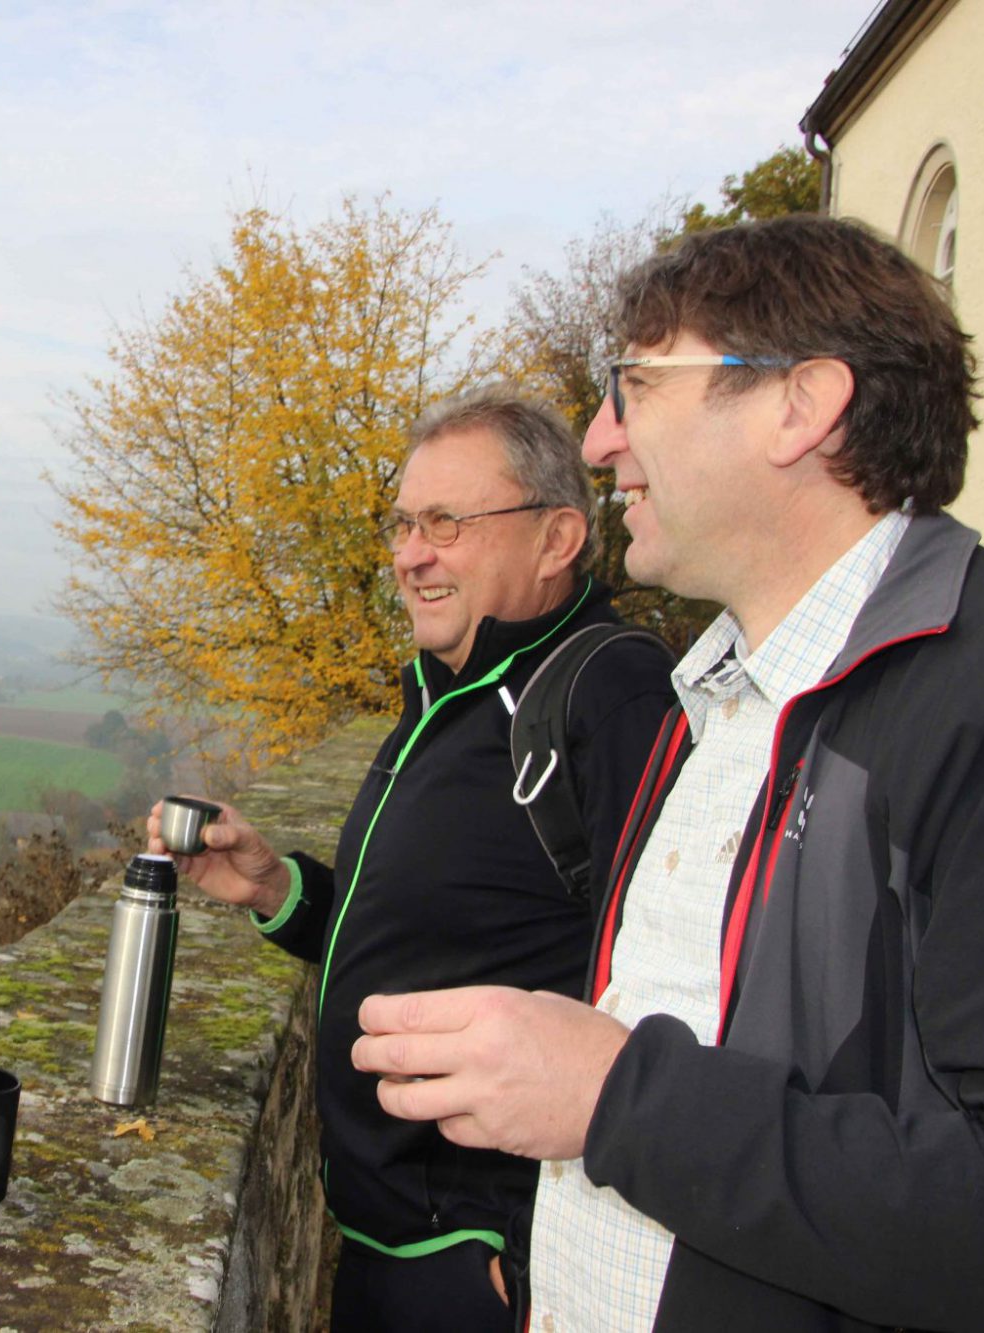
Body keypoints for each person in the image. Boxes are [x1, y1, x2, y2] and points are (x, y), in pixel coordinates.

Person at [351, 214, 984, 1330]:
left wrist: (614, 1097)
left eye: (634, 385)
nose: (596, 437)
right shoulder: (711, 699)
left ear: (797, 405)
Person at [153, 387, 674, 1332]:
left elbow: (677, 989)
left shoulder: (607, 691)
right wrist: (277, 888)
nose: (408, 554)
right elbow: (428, 927)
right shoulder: (450, 693)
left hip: (482, 1263)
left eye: (446, 522)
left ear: (557, 539)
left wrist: (523, 1246)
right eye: (402, 522)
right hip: (393, 1237)